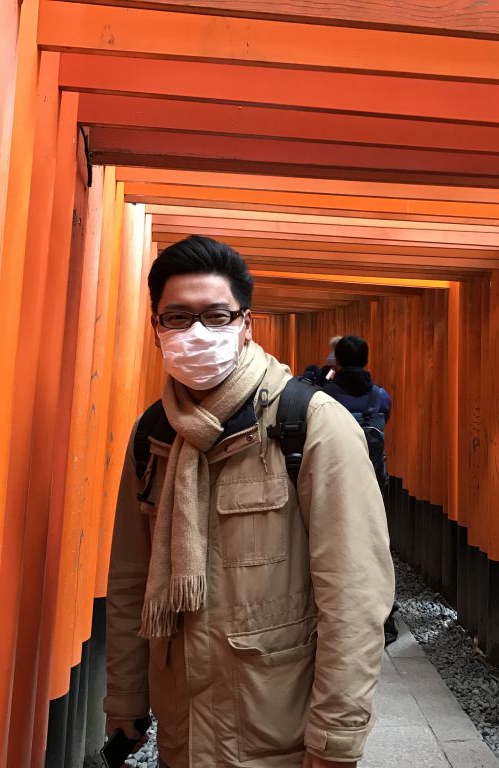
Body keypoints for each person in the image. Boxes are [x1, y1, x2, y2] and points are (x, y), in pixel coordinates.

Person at [104, 236, 394, 768]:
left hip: (279, 738)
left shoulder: (311, 425)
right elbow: (130, 577)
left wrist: (335, 736)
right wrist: (125, 696)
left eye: (217, 316)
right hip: (183, 736)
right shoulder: (155, 434)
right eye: (178, 317)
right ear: (156, 329)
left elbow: (355, 594)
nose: (197, 332)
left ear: (246, 325)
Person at [323, 336, 396, 644]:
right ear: (366, 360)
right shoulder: (379, 395)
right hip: (372, 479)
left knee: (332, 542)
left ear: (337, 360)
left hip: (333, 478)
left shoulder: (324, 395)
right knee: (374, 543)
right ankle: (383, 617)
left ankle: (339, 611)